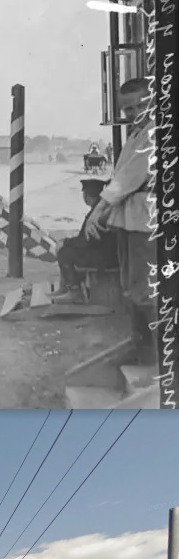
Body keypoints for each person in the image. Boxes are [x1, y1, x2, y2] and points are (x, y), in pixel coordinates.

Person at [85, 78, 154, 355]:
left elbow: (125, 181)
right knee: (131, 282)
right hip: (132, 218)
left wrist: (96, 213)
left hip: (148, 220)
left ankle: (153, 352)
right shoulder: (137, 134)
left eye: (142, 104)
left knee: (143, 285)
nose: (135, 112)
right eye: (128, 108)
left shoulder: (154, 134)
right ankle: (141, 342)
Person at [50, 178, 119, 304]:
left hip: (104, 258)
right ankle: (66, 288)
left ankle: (74, 292)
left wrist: (66, 242)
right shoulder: (99, 209)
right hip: (105, 253)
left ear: (86, 195)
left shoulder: (98, 214)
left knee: (65, 253)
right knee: (67, 249)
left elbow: (88, 241)